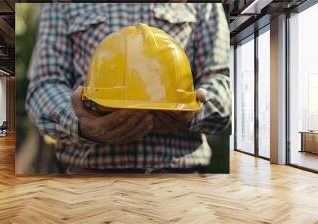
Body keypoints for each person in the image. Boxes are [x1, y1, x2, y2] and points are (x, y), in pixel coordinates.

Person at [26, 3, 231, 172]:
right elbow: (45, 83)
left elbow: (220, 79)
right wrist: (80, 123)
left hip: (179, 179)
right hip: (87, 179)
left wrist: (195, 112)